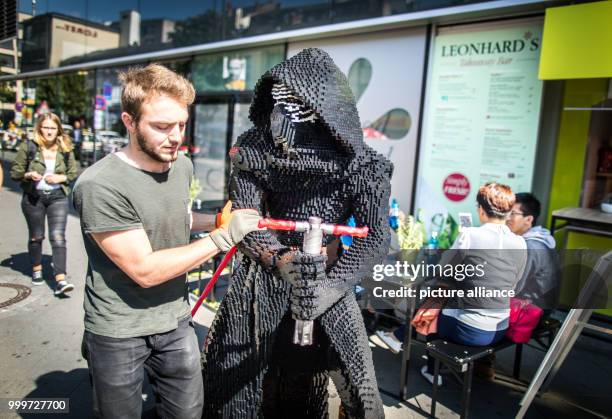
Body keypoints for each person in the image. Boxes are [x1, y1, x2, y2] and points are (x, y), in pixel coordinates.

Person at [72, 63, 263, 419]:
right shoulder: (100, 186)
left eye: (181, 125)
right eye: (161, 126)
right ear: (129, 122)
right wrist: (223, 237)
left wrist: (219, 221)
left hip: (175, 321)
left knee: (187, 413)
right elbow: (144, 270)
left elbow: (179, 219)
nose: (175, 136)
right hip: (118, 330)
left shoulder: (182, 165)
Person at [377, 183, 527, 385]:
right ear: (508, 213)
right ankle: (397, 337)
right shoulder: (520, 242)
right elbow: (514, 284)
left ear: (481, 210)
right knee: (441, 299)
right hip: (500, 327)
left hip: (470, 329)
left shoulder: (471, 235)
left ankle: (429, 367)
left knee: (434, 307)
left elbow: (444, 269)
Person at [10, 113, 78, 295]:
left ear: (58, 130)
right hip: (34, 197)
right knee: (36, 236)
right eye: (46, 127)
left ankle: (61, 280)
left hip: (57, 197)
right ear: (40, 128)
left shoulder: (65, 149)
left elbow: (73, 173)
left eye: (53, 128)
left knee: (58, 237)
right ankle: (37, 267)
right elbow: (15, 173)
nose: (49, 132)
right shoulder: (29, 146)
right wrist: (28, 175)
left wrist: (60, 177)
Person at [507, 192, 560, 314]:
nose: (507, 218)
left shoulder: (531, 246)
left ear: (529, 219)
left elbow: (514, 287)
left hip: (530, 313)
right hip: (534, 306)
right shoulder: (538, 239)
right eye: (506, 212)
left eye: (513, 213)